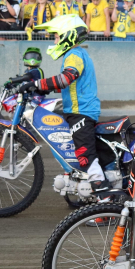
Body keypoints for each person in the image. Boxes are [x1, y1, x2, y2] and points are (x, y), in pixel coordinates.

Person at [24, 16, 109, 194]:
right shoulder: (76, 54)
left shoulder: (74, 55)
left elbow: (65, 79)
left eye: (56, 36)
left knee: (85, 156)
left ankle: (104, 198)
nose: (54, 40)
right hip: (78, 110)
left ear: (67, 36)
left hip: (82, 112)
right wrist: (45, 89)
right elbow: (71, 86)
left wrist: (37, 84)